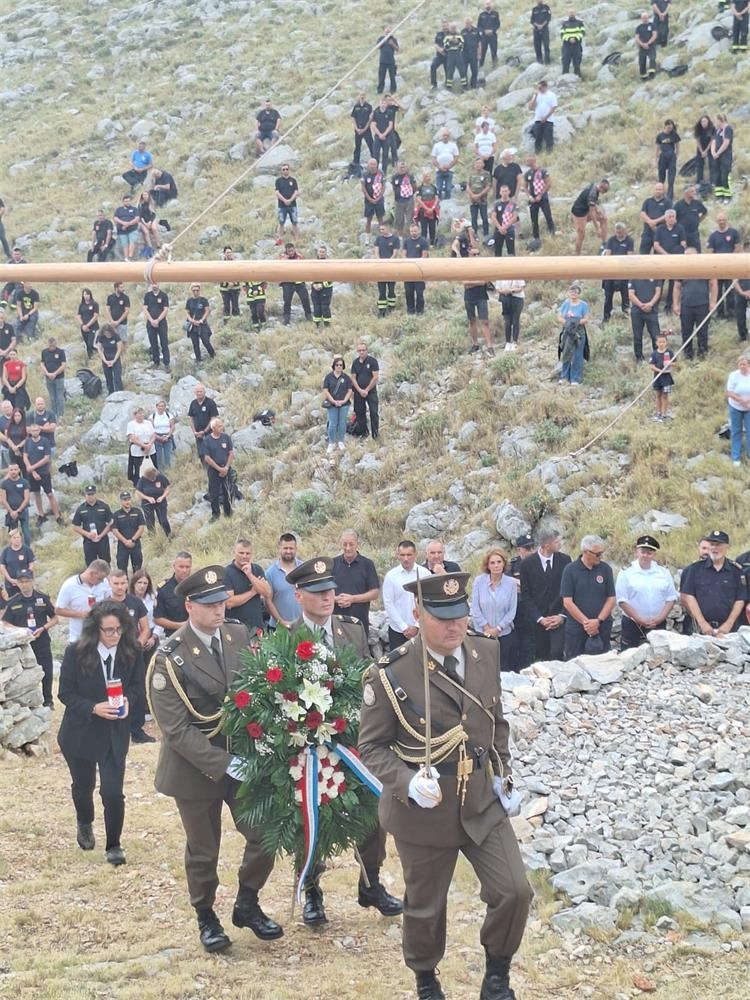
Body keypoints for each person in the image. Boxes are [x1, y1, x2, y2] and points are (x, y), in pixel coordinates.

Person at [359, 571, 531, 1000]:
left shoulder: (485, 652)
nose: (454, 626)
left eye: (460, 615)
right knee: (426, 907)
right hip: (425, 808)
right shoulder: (391, 674)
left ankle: (496, 977)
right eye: (442, 617)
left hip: (481, 801)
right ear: (418, 613)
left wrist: (503, 771)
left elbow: (495, 720)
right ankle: (425, 979)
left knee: (514, 890)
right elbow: (372, 747)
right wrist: (406, 782)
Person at [147, 565, 283, 952]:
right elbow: (176, 730)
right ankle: (206, 916)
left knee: (266, 834)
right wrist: (224, 764)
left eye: (221, 602)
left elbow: (253, 690)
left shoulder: (237, 635)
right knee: (204, 850)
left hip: (241, 758)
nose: (219, 609)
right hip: (194, 769)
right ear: (189, 606)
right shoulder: (169, 657)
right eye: (209, 605)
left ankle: (247, 902)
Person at [282, 556, 401, 927]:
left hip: (355, 740)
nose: (327, 598)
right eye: (318, 592)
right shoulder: (285, 638)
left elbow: (367, 677)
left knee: (372, 808)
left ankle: (371, 883)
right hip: (309, 745)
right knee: (311, 814)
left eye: (330, 591)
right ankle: (313, 891)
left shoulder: (352, 628)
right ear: (299, 596)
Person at [58, 600, 141, 867]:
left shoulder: (132, 651)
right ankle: (85, 821)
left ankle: (114, 844)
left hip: (114, 733)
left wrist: (128, 700)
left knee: (113, 792)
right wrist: (93, 708)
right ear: (96, 630)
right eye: (109, 630)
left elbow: (138, 687)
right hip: (80, 732)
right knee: (83, 787)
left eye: (119, 629)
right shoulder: (75, 653)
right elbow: (65, 693)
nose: (115, 635)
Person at [107, 569, 154, 745]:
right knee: (115, 689)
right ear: (110, 583)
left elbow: (145, 628)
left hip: (134, 653)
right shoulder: (104, 605)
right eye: (116, 583)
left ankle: (136, 730)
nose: (120, 587)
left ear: (127, 583)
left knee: (138, 689)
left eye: (123, 583)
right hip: (113, 653)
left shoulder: (135, 602)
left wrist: (138, 645)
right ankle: (115, 727)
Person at [0, 569, 57, 707]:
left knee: (47, 671)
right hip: (23, 646)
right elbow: (5, 622)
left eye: (27, 581)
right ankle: (27, 702)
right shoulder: (13, 602)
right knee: (24, 674)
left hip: (41, 641)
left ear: (32, 581)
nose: (24, 584)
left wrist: (44, 628)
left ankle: (48, 700)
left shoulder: (43, 598)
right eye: (21, 582)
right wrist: (20, 631)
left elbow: (55, 618)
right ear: (17, 584)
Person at [519, 528, 571, 662]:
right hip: (538, 620)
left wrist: (562, 616)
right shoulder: (527, 564)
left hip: (558, 617)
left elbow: (569, 591)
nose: (560, 544)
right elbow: (526, 594)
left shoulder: (565, 560)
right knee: (541, 656)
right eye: (557, 542)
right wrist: (539, 618)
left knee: (557, 653)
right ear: (547, 546)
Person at [616, 536, 677, 649]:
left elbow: (671, 598)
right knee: (629, 656)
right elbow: (622, 600)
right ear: (636, 552)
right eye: (643, 552)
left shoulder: (663, 572)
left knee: (659, 655)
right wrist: (639, 619)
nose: (645, 556)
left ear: (654, 555)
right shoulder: (626, 572)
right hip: (632, 624)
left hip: (657, 623)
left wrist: (660, 618)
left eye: (649, 553)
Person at [681, 529, 746, 636]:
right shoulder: (695, 569)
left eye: (718, 545)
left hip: (729, 631)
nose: (714, 548)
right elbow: (689, 597)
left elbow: (740, 600)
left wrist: (728, 625)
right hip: (699, 630)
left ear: (727, 547)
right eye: (712, 544)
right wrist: (702, 624)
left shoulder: (736, 571)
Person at [560, 535, 616, 658]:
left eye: (602, 553)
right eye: (597, 554)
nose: (600, 557)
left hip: (601, 626)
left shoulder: (605, 569)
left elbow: (611, 598)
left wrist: (598, 621)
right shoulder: (570, 570)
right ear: (586, 552)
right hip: (577, 629)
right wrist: (587, 623)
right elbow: (567, 601)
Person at [470, 548, 517, 668]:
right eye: (492, 563)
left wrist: (497, 629)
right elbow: (475, 607)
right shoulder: (479, 581)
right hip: (482, 633)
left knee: (503, 667)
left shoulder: (511, 583)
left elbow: (512, 610)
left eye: (499, 562)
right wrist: (486, 628)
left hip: (504, 634)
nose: (496, 565)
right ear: (487, 565)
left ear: (504, 563)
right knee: (484, 667)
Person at [382, 540, 431, 649]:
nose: (406, 558)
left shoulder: (425, 574)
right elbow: (388, 603)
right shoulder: (391, 576)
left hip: (421, 629)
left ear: (415, 555)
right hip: (397, 630)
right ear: (398, 555)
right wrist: (404, 627)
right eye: (402, 555)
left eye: (409, 555)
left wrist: (417, 626)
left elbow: (429, 601)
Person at [332, 530, 380, 636]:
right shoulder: (333, 564)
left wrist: (352, 599)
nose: (348, 548)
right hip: (336, 623)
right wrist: (336, 599)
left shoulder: (367, 564)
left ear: (358, 544)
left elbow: (375, 593)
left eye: (351, 544)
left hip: (359, 623)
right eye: (345, 544)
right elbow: (324, 592)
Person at [54, 560, 113, 644]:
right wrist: (80, 614)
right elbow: (58, 610)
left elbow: (109, 600)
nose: (102, 581)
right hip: (79, 638)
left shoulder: (104, 582)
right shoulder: (69, 585)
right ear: (91, 573)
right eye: (99, 578)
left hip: (100, 637)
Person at [675, 246, 717, 359]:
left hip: (702, 305)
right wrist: (675, 304)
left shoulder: (705, 268)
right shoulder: (681, 269)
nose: (687, 259)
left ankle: (703, 354)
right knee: (686, 332)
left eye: (689, 256)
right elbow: (677, 287)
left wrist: (713, 302)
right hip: (686, 306)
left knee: (702, 332)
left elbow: (713, 284)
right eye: (685, 257)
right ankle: (688, 355)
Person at [224, 539, 271, 637]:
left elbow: (267, 594)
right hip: (235, 629)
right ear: (234, 553)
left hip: (257, 628)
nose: (244, 556)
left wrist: (249, 574)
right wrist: (253, 592)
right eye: (241, 553)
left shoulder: (257, 569)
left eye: (247, 553)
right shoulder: (226, 572)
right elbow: (229, 603)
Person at [23, 422, 62, 526]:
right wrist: (32, 470)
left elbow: (46, 458)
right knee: (36, 493)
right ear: (30, 432)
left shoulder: (45, 441)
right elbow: (25, 456)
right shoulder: (27, 442)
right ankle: (41, 515)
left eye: (36, 430)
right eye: (33, 430)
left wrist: (33, 467)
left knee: (49, 494)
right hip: (32, 474)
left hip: (44, 472)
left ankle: (57, 516)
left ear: (39, 431)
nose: (35, 432)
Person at [707, 211, 741, 319]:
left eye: (723, 220)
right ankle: (720, 314)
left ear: (726, 220)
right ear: (717, 221)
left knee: (730, 290)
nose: (722, 222)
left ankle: (731, 313)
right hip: (717, 268)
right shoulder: (713, 236)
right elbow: (710, 251)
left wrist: (730, 261)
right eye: (719, 220)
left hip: (730, 267)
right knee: (717, 292)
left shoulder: (734, 233)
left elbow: (737, 247)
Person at [265, 533, 302, 629]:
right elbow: (267, 601)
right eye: (285, 548)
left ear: (296, 549)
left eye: (291, 548)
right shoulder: (270, 573)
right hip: (278, 628)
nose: (288, 551)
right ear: (279, 548)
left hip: (302, 626)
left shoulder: (304, 569)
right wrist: (282, 622)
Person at [653, 209, 686, 313]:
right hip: (661, 261)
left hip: (674, 262)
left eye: (673, 217)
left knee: (673, 284)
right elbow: (656, 245)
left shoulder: (680, 228)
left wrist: (675, 256)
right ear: (665, 218)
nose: (671, 219)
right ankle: (655, 306)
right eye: (669, 217)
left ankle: (669, 307)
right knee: (659, 284)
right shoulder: (660, 229)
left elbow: (683, 244)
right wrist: (666, 255)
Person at [557, 284, 590, 385]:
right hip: (567, 332)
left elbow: (586, 318)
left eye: (575, 292)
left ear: (579, 294)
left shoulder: (583, 305)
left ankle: (575, 378)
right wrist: (567, 323)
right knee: (566, 353)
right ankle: (564, 377)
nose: (573, 294)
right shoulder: (566, 304)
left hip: (579, 332)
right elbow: (559, 317)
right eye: (571, 292)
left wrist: (576, 323)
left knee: (577, 355)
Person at [153, 551, 192, 636]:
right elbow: (157, 618)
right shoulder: (163, 589)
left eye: (187, 567)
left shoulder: (196, 587)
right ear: (174, 566)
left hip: (194, 635)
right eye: (181, 567)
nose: (184, 570)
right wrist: (180, 626)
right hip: (172, 635)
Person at [72, 485, 114, 565]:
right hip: (89, 542)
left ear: (96, 494)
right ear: (85, 495)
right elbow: (75, 527)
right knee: (91, 565)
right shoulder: (81, 509)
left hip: (103, 541)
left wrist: (101, 535)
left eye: (92, 494)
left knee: (105, 564)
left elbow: (111, 523)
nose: (90, 496)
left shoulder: (104, 506)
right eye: (88, 494)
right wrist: (87, 534)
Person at [602, 222, 634, 322]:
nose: (618, 234)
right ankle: (606, 317)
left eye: (620, 232)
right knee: (608, 296)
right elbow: (608, 254)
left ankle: (627, 316)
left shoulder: (629, 240)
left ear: (624, 231)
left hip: (623, 272)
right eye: (617, 232)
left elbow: (629, 255)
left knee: (625, 296)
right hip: (611, 271)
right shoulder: (611, 240)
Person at [203, 417, 234, 520]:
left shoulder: (226, 437)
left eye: (222, 425)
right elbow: (207, 458)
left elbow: (231, 453)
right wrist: (219, 469)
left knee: (228, 490)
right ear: (213, 428)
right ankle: (215, 514)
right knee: (214, 493)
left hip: (226, 468)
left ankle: (228, 513)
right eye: (219, 426)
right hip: (214, 470)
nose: (222, 427)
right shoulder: (207, 440)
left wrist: (226, 467)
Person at [463, 253, 494, 356]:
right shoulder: (466, 268)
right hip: (469, 297)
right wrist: (479, 282)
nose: (476, 256)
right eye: (474, 254)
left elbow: (484, 281)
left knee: (485, 321)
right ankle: (475, 344)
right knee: (471, 321)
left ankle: (489, 346)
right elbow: (465, 283)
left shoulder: (483, 267)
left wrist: (472, 282)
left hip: (481, 296)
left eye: (478, 254)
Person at [322, 354, 353, 455]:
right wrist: (333, 401)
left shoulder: (346, 377)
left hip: (344, 403)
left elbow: (349, 390)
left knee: (342, 422)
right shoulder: (328, 377)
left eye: (341, 365)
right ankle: (331, 443)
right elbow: (326, 390)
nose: (339, 367)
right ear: (333, 366)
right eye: (337, 365)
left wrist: (344, 400)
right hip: (332, 403)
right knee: (332, 423)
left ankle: (341, 441)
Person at [110, 490, 146, 573]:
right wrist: (125, 541)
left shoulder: (137, 512)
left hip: (135, 544)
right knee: (122, 569)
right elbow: (115, 530)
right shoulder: (116, 514)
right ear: (121, 501)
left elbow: (141, 527)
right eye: (125, 500)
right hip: (122, 545)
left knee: (137, 568)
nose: (127, 502)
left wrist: (132, 540)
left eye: (128, 499)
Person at [629, 276, 662, 361]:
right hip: (637, 311)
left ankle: (657, 358)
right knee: (637, 336)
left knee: (656, 335)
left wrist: (650, 304)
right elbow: (631, 294)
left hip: (652, 311)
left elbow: (658, 292)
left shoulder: (656, 276)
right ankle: (639, 358)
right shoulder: (633, 277)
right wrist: (641, 305)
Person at [571, 179, 608, 254]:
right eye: (605, 191)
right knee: (581, 235)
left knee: (603, 219)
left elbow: (592, 204)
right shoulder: (592, 194)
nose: (604, 193)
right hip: (579, 212)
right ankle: (577, 256)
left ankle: (604, 244)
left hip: (586, 209)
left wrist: (597, 210)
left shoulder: (595, 186)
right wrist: (597, 228)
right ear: (601, 187)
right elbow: (592, 212)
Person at [278, 242, 313, 324]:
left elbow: (305, 267)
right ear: (286, 251)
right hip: (287, 282)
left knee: (305, 299)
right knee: (287, 301)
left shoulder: (300, 257)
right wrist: (286, 259)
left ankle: (308, 316)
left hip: (299, 282)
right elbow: (280, 266)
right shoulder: (282, 257)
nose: (291, 253)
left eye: (292, 250)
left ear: (294, 249)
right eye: (289, 251)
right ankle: (286, 318)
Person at [351, 342, 379, 439]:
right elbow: (353, 378)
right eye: (359, 350)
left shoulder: (372, 361)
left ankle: (375, 435)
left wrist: (366, 390)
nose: (361, 352)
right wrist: (359, 390)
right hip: (358, 392)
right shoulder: (355, 363)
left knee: (374, 412)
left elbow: (375, 377)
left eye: (363, 350)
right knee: (360, 413)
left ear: (367, 351)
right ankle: (364, 433)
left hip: (371, 392)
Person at [524, 154, 555, 243]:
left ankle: (552, 234)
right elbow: (525, 187)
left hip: (543, 198)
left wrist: (541, 195)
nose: (526, 162)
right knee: (534, 219)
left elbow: (548, 183)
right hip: (533, 199)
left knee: (548, 216)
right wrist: (529, 196)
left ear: (533, 160)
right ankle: (536, 238)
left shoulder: (543, 171)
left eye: (528, 161)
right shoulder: (527, 173)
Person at [135, 463, 172, 537]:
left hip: (160, 502)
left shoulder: (161, 477)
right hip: (147, 503)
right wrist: (147, 498)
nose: (152, 480)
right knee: (150, 523)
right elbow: (138, 492)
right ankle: (153, 538)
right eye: (150, 479)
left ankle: (169, 535)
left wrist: (162, 497)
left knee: (163, 520)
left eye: (153, 478)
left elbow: (167, 488)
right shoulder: (142, 479)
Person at [726, 355, 750, 466]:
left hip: (749, 407)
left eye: (744, 364)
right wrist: (742, 401)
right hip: (735, 407)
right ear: (738, 365)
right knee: (736, 431)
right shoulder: (733, 375)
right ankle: (736, 457)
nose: (743, 366)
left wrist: (747, 402)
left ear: (748, 365)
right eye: (740, 364)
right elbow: (729, 392)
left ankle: (749, 455)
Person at [0, 461, 31, 546]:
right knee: (13, 534)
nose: (13, 471)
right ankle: (15, 549)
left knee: (26, 532)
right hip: (11, 511)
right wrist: (11, 511)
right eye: (11, 470)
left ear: (19, 470)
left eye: (15, 469)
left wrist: (18, 511)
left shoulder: (24, 482)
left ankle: (27, 550)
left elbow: (27, 498)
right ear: (8, 471)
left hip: (23, 510)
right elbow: (3, 499)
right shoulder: (4, 484)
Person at [373, 220, 400, 317]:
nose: (381, 231)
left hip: (391, 268)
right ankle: (382, 310)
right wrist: (379, 261)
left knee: (391, 289)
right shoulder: (379, 239)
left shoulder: (395, 239)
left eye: (383, 229)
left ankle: (391, 307)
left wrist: (388, 262)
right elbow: (376, 251)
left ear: (388, 228)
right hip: (380, 268)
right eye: (380, 229)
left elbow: (395, 253)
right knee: (381, 290)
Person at [188, 384, 219, 462]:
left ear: (204, 392)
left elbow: (213, 418)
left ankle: (213, 468)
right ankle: (204, 468)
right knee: (201, 454)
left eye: (201, 391)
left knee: (211, 453)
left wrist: (204, 431)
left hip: (209, 433)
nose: (199, 393)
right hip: (198, 434)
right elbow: (191, 418)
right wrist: (194, 432)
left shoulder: (210, 403)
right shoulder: (193, 403)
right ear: (195, 393)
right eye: (197, 392)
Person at [403, 220, 429, 315]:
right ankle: (410, 310)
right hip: (408, 271)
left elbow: (424, 256)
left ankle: (420, 311)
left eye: (415, 231)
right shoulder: (406, 241)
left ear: (419, 231)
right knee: (408, 292)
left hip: (419, 271)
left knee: (419, 293)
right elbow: (404, 255)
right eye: (411, 231)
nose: (413, 233)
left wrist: (415, 265)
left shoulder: (423, 241)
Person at [143, 282, 170, 370]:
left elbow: (165, 310)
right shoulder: (147, 296)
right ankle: (156, 362)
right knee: (153, 343)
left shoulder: (164, 295)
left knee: (164, 343)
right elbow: (145, 309)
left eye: (156, 284)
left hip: (161, 323)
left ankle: (166, 363)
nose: (154, 286)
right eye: (153, 284)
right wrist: (151, 320)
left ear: (159, 284)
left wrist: (158, 320)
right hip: (150, 323)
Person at [185, 283, 215, 362]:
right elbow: (187, 312)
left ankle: (213, 355)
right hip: (193, 325)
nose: (195, 292)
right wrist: (192, 320)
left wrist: (201, 320)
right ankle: (198, 359)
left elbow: (207, 311)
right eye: (194, 290)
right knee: (195, 344)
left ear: (199, 290)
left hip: (202, 324)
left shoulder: (203, 300)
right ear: (191, 291)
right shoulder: (189, 301)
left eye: (197, 290)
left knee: (206, 341)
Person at [126, 408, 156, 486]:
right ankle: (139, 485)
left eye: (142, 413)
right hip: (137, 450)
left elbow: (153, 435)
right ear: (135, 415)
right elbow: (132, 437)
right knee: (138, 469)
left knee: (152, 467)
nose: (141, 415)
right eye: (139, 414)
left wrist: (149, 445)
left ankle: (152, 483)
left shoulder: (148, 423)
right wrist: (143, 446)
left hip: (150, 449)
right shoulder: (131, 424)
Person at [649, 332, 675, 421]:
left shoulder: (669, 352)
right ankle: (658, 413)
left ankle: (664, 414)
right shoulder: (654, 354)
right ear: (656, 343)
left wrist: (670, 363)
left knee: (665, 396)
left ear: (666, 343)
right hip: (657, 378)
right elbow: (651, 366)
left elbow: (675, 363)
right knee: (658, 395)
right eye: (660, 342)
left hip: (667, 378)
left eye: (663, 342)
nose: (661, 344)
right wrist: (660, 371)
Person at [0, 528, 34, 596]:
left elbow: (31, 565)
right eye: (14, 538)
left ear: (21, 538)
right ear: (10, 539)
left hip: (25, 583)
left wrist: (25, 579)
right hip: (11, 584)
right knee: (13, 601)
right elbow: (2, 566)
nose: (16, 539)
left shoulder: (27, 550)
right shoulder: (6, 551)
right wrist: (10, 579)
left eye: (18, 537)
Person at [674, 184, 707, 252]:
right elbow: (674, 218)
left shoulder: (697, 203)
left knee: (697, 252)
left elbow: (705, 212)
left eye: (694, 191)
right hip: (682, 234)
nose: (694, 193)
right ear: (686, 193)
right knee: (682, 252)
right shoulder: (678, 205)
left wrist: (698, 220)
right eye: (692, 191)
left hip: (694, 233)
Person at [40, 336, 66, 419]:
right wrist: (47, 373)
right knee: (52, 397)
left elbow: (63, 365)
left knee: (59, 397)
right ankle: (53, 415)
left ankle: (60, 415)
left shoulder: (61, 352)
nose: (51, 347)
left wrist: (55, 373)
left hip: (59, 378)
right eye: (50, 345)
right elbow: (42, 364)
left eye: (53, 346)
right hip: (48, 378)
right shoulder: (44, 352)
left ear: (56, 344)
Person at [710, 113, 734, 203]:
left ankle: (727, 196)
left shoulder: (727, 129)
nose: (714, 123)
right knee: (717, 176)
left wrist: (718, 153)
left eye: (715, 121)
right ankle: (719, 196)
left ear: (720, 120)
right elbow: (713, 142)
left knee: (725, 176)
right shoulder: (717, 130)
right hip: (716, 157)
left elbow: (726, 143)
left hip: (725, 156)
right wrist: (713, 152)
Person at [655, 119, 680, 201]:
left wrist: (676, 155)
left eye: (671, 128)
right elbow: (657, 148)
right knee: (661, 177)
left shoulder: (674, 135)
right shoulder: (660, 136)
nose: (670, 129)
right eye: (668, 128)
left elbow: (677, 146)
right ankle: (660, 194)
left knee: (671, 178)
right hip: (663, 156)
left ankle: (670, 197)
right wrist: (656, 159)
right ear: (665, 126)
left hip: (671, 156)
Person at [490, 184, 518, 257]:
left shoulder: (513, 203)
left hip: (509, 229)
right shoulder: (496, 203)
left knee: (511, 252)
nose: (504, 193)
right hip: (498, 229)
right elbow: (493, 216)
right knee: (497, 251)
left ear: (509, 192)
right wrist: (500, 228)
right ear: (500, 192)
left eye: (506, 191)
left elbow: (514, 217)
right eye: (503, 191)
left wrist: (505, 227)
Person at [497, 279, 526, 352]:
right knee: (507, 321)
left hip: (517, 298)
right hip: (506, 298)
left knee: (515, 319)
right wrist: (504, 291)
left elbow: (521, 287)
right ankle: (508, 342)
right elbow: (498, 288)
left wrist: (511, 290)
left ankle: (514, 341)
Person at [431, 130, 460, 202]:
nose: (445, 137)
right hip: (439, 170)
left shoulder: (453, 145)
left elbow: (456, 157)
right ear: (441, 136)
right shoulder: (437, 145)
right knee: (439, 188)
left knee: (448, 188)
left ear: (449, 137)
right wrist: (439, 167)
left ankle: (447, 202)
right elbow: (433, 158)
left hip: (450, 169)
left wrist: (449, 166)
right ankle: (438, 202)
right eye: (444, 135)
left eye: (447, 135)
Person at [529, 80, 557, 153]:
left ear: (545, 87)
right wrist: (535, 96)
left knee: (549, 138)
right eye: (538, 88)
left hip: (548, 120)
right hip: (538, 120)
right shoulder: (537, 95)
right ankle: (538, 153)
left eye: (540, 88)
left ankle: (549, 153)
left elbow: (553, 107)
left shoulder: (551, 95)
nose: (539, 89)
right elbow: (531, 107)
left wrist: (546, 117)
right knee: (538, 138)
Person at [274, 164, 300, 244]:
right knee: (281, 223)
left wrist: (290, 200)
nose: (285, 170)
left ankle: (297, 239)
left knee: (294, 222)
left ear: (289, 170)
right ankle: (279, 239)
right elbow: (277, 192)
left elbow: (296, 192)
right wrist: (284, 200)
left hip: (292, 205)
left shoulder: (293, 180)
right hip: (282, 206)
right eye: (283, 169)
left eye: (287, 169)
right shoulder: (278, 181)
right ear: (281, 171)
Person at [96, 323, 124, 394]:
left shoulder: (116, 336)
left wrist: (114, 360)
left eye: (108, 333)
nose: (107, 335)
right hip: (106, 359)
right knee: (108, 377)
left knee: (117, 377)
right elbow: (99, 349)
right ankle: (110, 392)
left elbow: (119, 349)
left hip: (115, 358)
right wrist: (105, 360)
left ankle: (119, 392)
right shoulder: (101, 337)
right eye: (105, 333)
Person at [391, 161, 417, 238]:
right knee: (399, 219)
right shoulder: (394, 177)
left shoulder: (410, 176)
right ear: (397, 168)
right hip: (399, 200)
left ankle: (411, 235)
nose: (402, 169)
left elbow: (414, 186)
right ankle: (400, 236)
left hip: (409, 200)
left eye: (404, 167)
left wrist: (411, 194)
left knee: (410, 218)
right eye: (401, 167)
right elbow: (394, 187)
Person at [414, 172, 440, 246]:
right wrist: (426, 208)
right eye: (426, 176)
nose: (428, 178)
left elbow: (436, 198)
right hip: (423, 209)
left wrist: (432, 207)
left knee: (432, 227)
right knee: (424, 228)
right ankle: (424, 244)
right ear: (424, 178)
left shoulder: (434, 187)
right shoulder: (420, 188)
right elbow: (418, 199)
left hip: (432, 209)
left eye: (429, 176)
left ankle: (432, 243)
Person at [310, 246, 333, 327]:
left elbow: (331, 277)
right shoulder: (313, 264)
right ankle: (317, 324)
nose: (321, 253)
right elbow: (310, 275)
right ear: (317, 253)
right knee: (316, 307)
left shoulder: (329, 264)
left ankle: (327, 325)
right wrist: (313, 284)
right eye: (320, 252)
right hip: (315, 288)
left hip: (326, 289)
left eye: (323, 252)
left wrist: (322, 285)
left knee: (325, 307)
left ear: (326, 253)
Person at [371, 97, 395, 174]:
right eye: (381, 103)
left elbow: (390, 125)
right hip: (377, 136)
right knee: (376, 155)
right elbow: (373, 125)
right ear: (379, 103)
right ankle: (375, 171)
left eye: (384, 103)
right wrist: (379, 134)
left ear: (386, 104)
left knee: (385, 155)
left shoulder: (390, 112)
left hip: (386, 137)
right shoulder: (375, 112)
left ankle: (384, 172)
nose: (383, 104)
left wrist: (384, 134)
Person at [150, 398, 175, 470]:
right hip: (157, 438)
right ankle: (159, 472)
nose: (161, 407)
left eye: (163, 406)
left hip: (167, 437)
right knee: (158, 457)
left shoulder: (169, 415)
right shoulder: (152, 416)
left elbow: (172, 426)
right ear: (156, 406)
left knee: (168, 456)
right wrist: (158, 437)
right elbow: (151, 429)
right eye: (159, 406)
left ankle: (168, 472)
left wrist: (168, 436)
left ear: (165, 407)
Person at [113, 193, 139, 261]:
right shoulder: (119, 209)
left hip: (132, 229)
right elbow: (115, 218)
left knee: (132, 242)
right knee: (125, 244)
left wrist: (128, 224)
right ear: (123, 201)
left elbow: (137, 219)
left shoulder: (134, 209)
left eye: (129, 201)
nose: (127, 202)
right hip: (121, 230)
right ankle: (126, 258)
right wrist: (123, 223)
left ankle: (130, 256)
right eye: (126, 201)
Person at [219, 247, 241, 322]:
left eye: (230, 252)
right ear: (224, 254)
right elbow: (220, 274)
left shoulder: (236, 263)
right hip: (225, 289)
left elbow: (239, 273)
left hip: (235, 288)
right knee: (226, 306)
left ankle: (236, 322)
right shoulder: (221, 264)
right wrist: (228, 282)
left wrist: (233, 282)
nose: (229, 254)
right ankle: (226, 322)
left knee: (235, 305)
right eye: (227, 252)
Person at [106, 281, 131, 349]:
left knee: (123, 340)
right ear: (116, 288)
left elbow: (126, 311)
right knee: (113, 341)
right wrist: (112, 321)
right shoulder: (110, 297)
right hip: (112, 324)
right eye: (121, 287)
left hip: (122, 323)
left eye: (123, 287)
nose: (123, 289)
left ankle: (124, 354)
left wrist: (118, 322)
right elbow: (107, 310)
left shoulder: (125, 298)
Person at [443, 23, 467, 91]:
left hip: (458, 54)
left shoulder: (459, 36)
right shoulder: (447, 37)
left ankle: (464, 86)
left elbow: (462, 46)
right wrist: (450, 42)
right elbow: (445, 47)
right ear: (449, 29)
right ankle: (449, 87)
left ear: (456, 28)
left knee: (462, 70)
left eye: (454, 28)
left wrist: (457, 42)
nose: (453, 29)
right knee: (450, 71)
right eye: (452, 28)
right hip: (450, 55)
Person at [560, 9, 585, 75]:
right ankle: (564, 78)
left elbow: (582, 33)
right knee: (565, 62)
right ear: (568, 14)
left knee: (577, 63)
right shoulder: (564, 23)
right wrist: (569, 39)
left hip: (576, 45)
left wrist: (575, 39)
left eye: (573, 12)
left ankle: (578, 77)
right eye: (570, 12)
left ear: (575, 13)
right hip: (567, 46)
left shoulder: (580, 23)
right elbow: (562, 35)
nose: (571, 13)